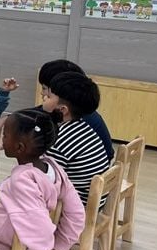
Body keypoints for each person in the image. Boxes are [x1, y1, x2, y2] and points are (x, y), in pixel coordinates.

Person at [0, 109, 85, 250]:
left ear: (19, 147)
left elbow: (42, 232)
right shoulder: (53, 169)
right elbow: (77, 214)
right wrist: (60, 245)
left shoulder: (22, 182)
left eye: (5, 136)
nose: (2, 139)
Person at [42, 72, 110, 208]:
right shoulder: (82, 127)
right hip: (94, 201)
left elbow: (46, 182)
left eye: (48, 96)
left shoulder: (59, 141)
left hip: (75, 210)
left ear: (62, 110)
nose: (43, 97)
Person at [36, 59, 114, 162]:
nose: (42, 94)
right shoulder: (78, 112)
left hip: (85, 173)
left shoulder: (66, 134)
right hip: (99, 168)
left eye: (45, 89)